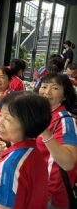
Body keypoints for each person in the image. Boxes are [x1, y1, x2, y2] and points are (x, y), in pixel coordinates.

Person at [37, 73, 77, 208]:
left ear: (65, 96)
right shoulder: (44, 115)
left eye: (54, 88)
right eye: (44, 86)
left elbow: (68, 163)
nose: (47, 91)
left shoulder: (66, 121)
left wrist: (43, 129)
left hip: (51, 195)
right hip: (35, 187)